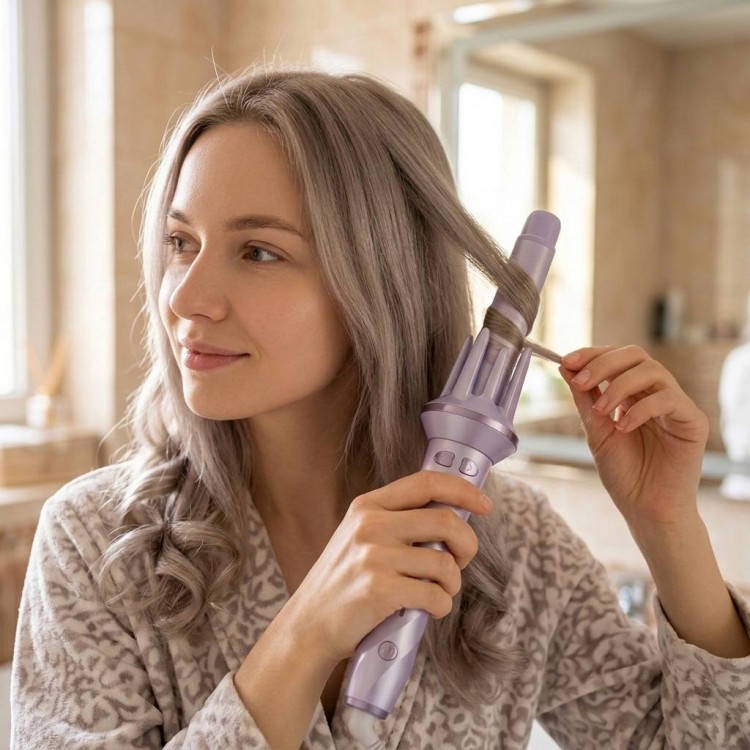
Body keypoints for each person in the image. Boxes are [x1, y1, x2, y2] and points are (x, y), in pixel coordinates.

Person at [10, 66, 750, 750]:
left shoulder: (515, 546)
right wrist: (302, 637)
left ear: (383, 279)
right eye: (180, 241)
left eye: (258, 252)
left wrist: (668, 525)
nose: (184, 298)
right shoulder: (97, 544)